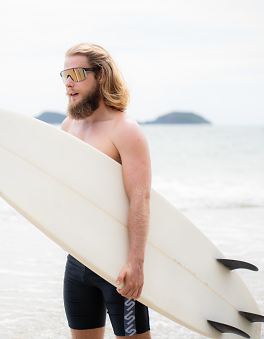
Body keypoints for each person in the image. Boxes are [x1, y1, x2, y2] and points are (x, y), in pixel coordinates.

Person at [60, 43, 152, 339]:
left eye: (76, 73)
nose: (69, 82)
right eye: (64, 75)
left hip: (118, 267)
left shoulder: (125, 130)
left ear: (100, 75)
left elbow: (140, 199)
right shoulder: (68, 127)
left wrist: (136, 263)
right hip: (77, 264)